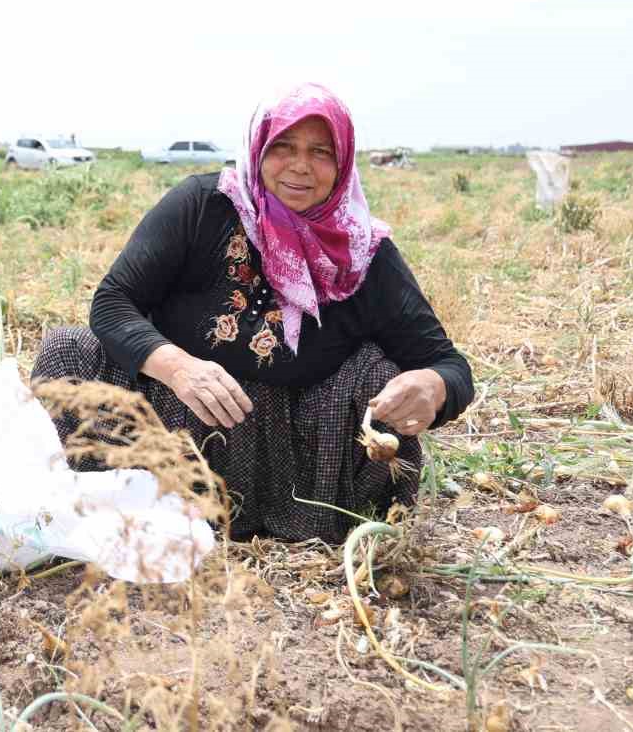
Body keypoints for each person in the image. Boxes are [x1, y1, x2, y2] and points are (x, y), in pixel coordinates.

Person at [31, 83, 472, 542]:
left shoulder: (364, 255)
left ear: (342, 163)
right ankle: (93, 506)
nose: (300, 165)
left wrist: (431, 387)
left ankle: (342, 517)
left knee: (380, 373)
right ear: (258, 148)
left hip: (302, 468)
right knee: (68, 349)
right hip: (167, 433)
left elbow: (449, 365)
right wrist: (178, 368)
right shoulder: (202, 206)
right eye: (283, 146)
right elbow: (113, 302)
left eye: (321, 152)